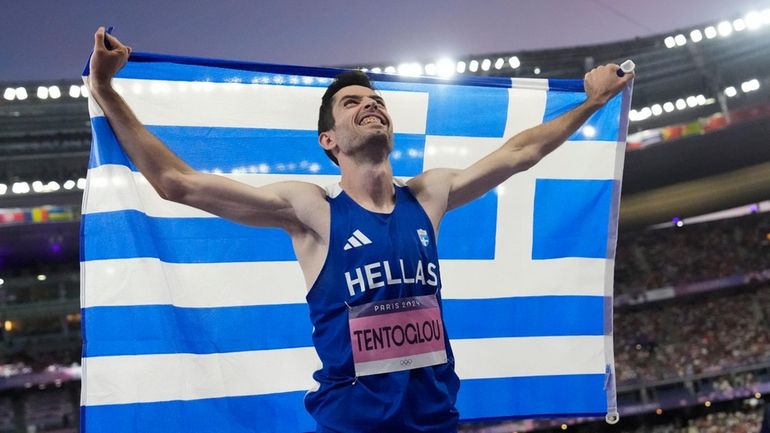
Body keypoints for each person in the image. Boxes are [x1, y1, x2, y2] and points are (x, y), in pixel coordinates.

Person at [88, 26, 633, 433]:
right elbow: (176, 182)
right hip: (354, 423)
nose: (370, 106)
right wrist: (106, 90)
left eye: (376, 101)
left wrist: (592, 101)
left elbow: (521, 152)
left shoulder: (429, 195)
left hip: (434, 417)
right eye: (353, 103)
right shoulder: (311, 211)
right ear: (329, 141)